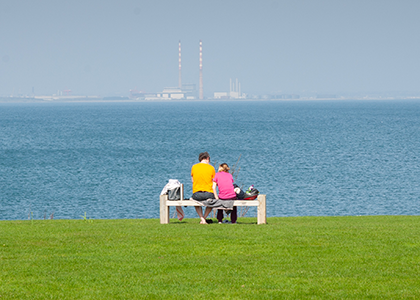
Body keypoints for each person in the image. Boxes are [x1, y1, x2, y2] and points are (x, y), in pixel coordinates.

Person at [191, 152, 215, 224]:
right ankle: (204, 218)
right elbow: (214, 181)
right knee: (212, 202)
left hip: (197, 193)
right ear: (207, 158)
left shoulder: (194, 167)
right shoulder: (211, 168)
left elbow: (193, 180)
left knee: (195, 201)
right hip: (209, 193)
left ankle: (202, 218)